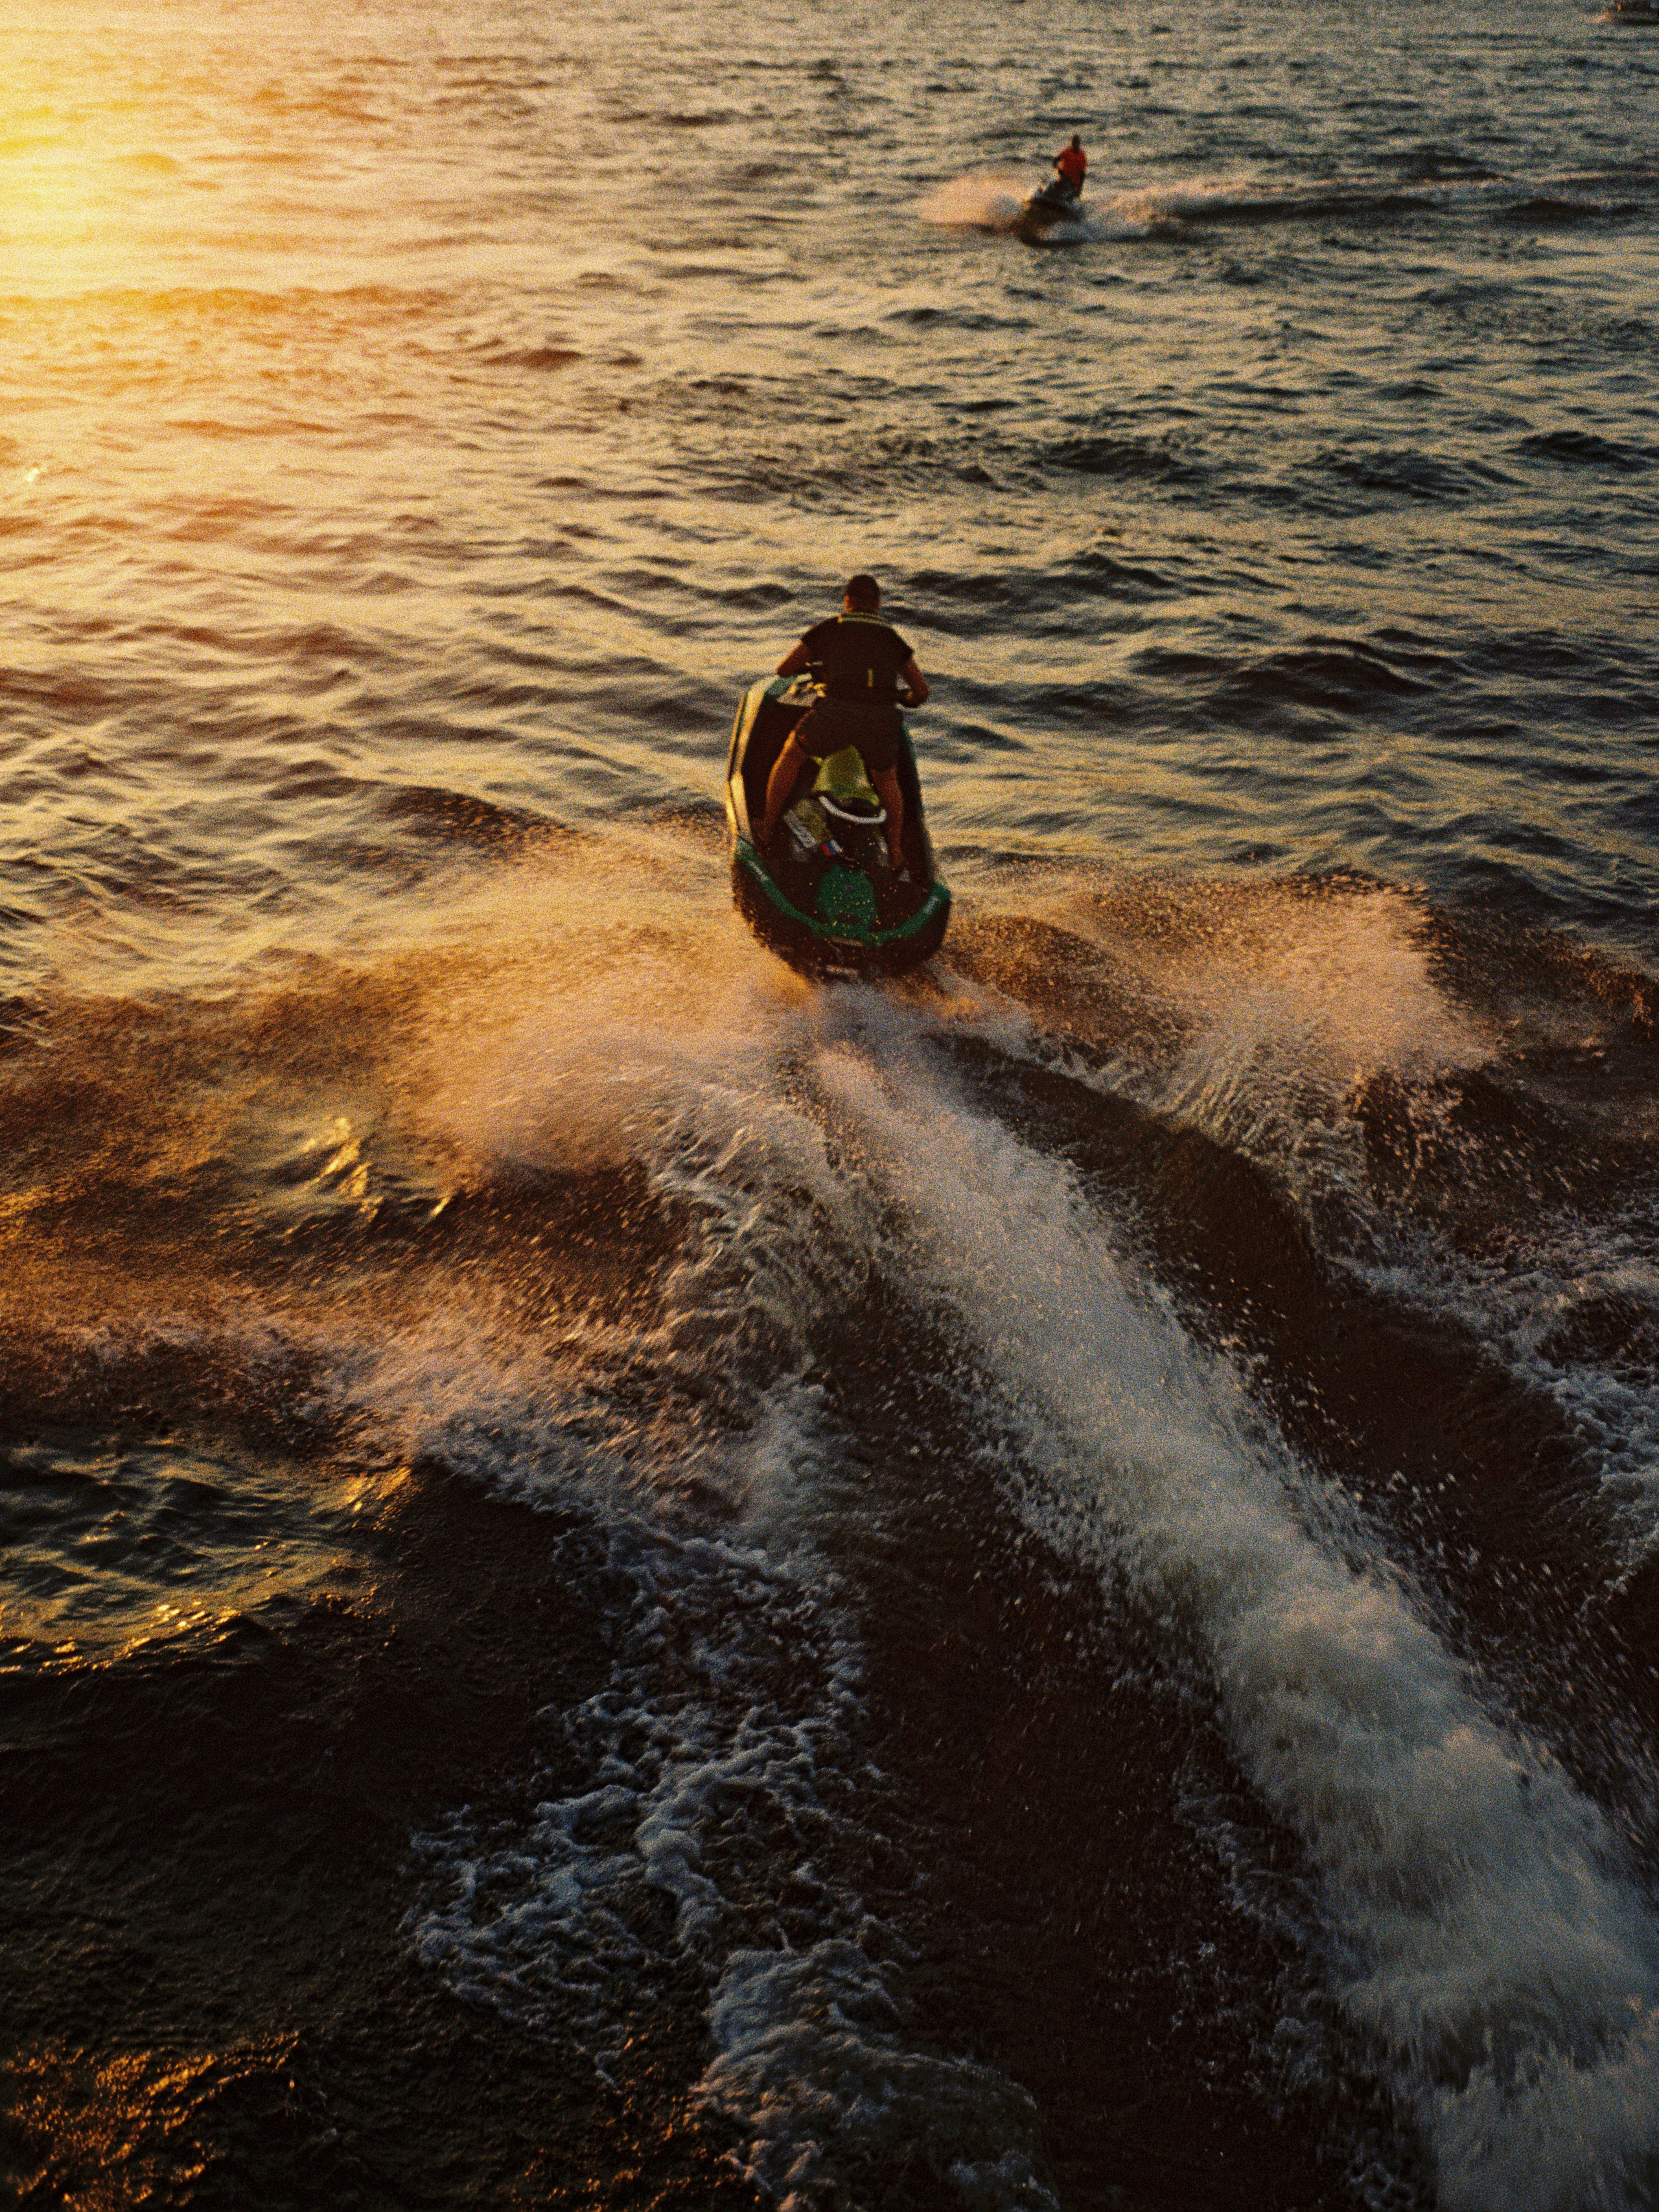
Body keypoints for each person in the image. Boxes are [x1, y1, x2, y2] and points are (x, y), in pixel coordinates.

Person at [760, 575, 929, 876]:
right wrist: (905, 698)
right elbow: (922, 692)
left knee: (792, 755)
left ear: (847, 600)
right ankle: (896, 853)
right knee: (887, 779)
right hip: (880, 720)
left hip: (836, 715)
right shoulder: (892, 638)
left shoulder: (829, 628)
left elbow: (784, 670)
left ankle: (767, 827)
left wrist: (817, 667)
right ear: (877, 604)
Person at [1052, 133, 1087, 199]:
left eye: (1076, 143)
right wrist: (1058, 170)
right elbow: (1055, 161)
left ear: (1079, 144)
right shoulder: (1066, 152)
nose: (1075, 145)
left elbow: (1082, 174)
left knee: (1067, 195)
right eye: (1073, 142)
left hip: (1073, 185)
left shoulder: (1082, 156)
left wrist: (1079, 189)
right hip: (1063, 181)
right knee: (1052, 187)